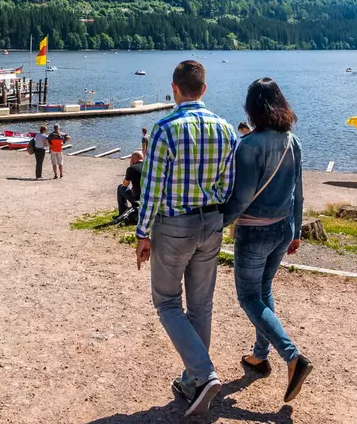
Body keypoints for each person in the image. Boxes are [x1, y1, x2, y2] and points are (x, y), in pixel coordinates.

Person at [135, 60, 239, 417]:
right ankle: (194, 381)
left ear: (174, 88)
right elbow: (229, 186)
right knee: (201, 306)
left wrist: (142, 233)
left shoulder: (165, 128)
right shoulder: (227, 130)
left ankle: (202, 373)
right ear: (204, 89)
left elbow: (151, 189)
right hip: (212, 223)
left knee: (166, 303)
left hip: (174, 224)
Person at [224, 78, 313, 404]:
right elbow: (299, 194)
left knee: (249, 297)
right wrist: (298, 230)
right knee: (264, 291)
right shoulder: (294, 142)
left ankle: (293, 357)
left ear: (253, 108)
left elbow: (242, 199)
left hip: (256, 232)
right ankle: (260, 356)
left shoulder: (248, 146)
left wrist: (217, 223)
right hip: (284, 227)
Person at [117, 150, 144, 220]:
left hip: (137, 198)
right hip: (148, 197)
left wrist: (130, 167)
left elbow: (125, 184)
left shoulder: (132, 168)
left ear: (132, 158)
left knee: (121, 187)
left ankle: (122, 212)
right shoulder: (148, 166)